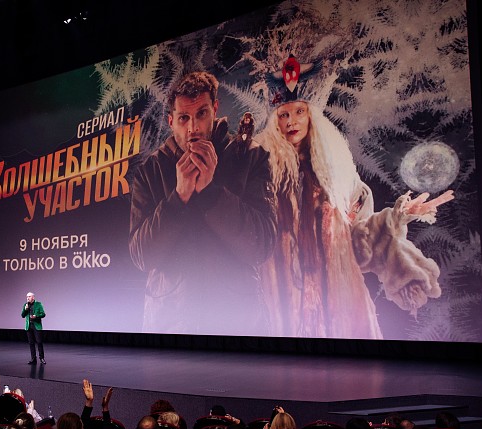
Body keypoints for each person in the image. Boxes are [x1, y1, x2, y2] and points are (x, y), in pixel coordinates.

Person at [255, 53, 454, 339]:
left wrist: (396, 218)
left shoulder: (339, 177)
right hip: (282, 300)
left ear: (311, 116)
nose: (291, 122)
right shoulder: (263, 173)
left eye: (299, 112)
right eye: (283, 115)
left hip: (338, 302)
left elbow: (359, 244)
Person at [128, 70, 277, 335]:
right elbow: (142, 255)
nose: (193, 128)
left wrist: (211, 192)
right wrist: (179, 197)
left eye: (201, 114)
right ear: (171, 121)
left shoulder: (250, 157)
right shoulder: (150, 171)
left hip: (237, 327)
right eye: (183, 118)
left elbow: (262, 245)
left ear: (215, 109)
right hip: (169, 328)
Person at [21, 291, 46, 364]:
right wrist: (25, 309)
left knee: (39, 342)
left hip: (36, 325)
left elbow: (43, 314)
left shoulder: (38, 304)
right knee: (31, 343)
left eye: (29, 296)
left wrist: (36, 316)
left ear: (33, 297)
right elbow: (22, 315)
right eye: (27, 297)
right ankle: (33, 358)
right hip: (29, 326)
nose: (27, 298)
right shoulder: (25, 305)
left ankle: (41, 358)